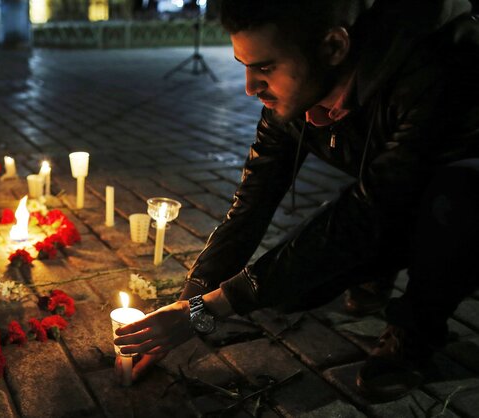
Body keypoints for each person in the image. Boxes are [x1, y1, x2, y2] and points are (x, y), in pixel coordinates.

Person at [115, 0, 479, 402]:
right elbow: (253, 200)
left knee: (456, 198)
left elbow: (371, 207)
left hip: (453, 201)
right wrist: (190, 301)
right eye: (244, 66)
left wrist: (212, 308)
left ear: (333, 47)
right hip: (387, 195)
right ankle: (381, 264)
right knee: (291, 289)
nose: (250, 88)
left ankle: (417, 329)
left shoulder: (442, 69)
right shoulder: (294, 95)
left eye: (265, 67)